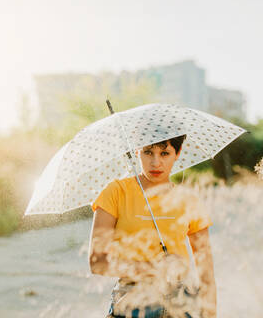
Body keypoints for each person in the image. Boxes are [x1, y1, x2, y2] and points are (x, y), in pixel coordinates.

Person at [88, 134, 217, 318]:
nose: (155, 162)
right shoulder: (115, 192)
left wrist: (210, 314)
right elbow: (97, 262)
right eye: (148, 152)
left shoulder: (188, 200)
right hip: (133, 301)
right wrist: (152, 268)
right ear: (136, 151)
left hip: (181, 303)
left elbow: (206, 272)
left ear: (178, 153)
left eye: (165, 153)